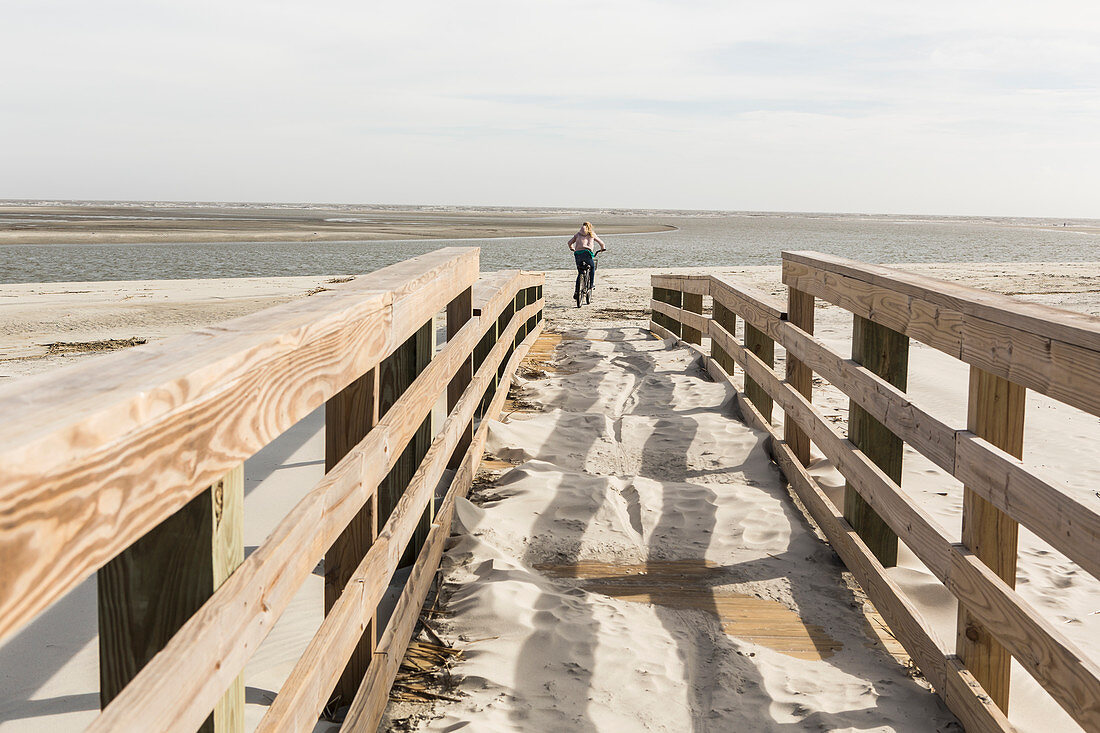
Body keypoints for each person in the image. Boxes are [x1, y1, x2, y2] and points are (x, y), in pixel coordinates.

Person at [567, 221, 606, 301]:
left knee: (580, 272)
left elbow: (569, 243)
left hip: (577, 254)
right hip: (587, 253)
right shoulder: (592, 234)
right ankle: (591, 284)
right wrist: (602, 248)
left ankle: (577, 291)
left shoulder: (577, 234)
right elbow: (601, 243)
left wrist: (572, 248)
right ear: (590, 227)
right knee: (592, 267)